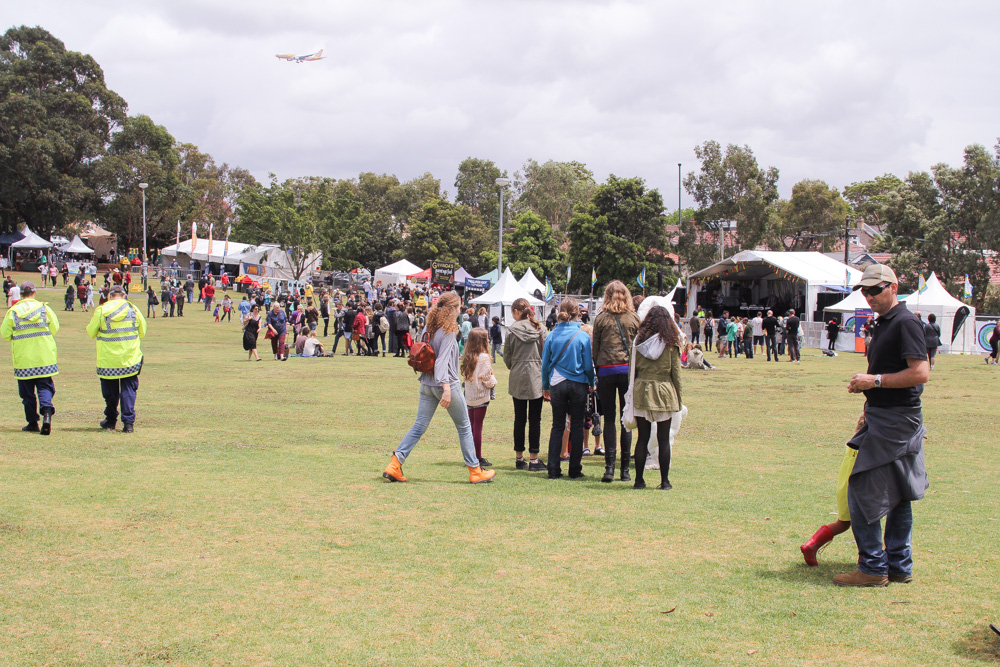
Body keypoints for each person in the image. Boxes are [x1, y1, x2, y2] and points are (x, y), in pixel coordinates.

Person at [834, 264, 929, 587]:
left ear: (894, 286)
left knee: (861, 490)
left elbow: (920, 373)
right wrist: (869, 402)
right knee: (900, 492)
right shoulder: (885, 322)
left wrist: (872, 381)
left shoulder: (905, 323)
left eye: (876, 289)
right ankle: (899, 565)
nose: (870, 296)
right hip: (887, 415)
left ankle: (873, 567)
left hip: (897, 419)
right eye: (865, 290)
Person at [382, 291, 496, 485]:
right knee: (464, 426)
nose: (460, 311)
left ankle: (395, 463)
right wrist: (446, 388)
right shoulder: (449, 330)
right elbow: (442, 361)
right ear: (452, 309)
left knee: (418, 426)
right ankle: (475, 471)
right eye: (459, 307)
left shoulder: (429, 327)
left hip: (426, 382)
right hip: (444, 383)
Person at [592, 280, 641, 483]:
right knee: (626, 418)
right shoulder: (634, 318)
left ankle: (609, 467)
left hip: (606, 370)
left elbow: (595, 347)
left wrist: (597, 367)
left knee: (610, 419)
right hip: (627, 369)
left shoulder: (601, 318)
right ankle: (625, 470)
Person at [630, 305, 682, 490]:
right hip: (664, 391)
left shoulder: (638, 342)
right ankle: (665, 481)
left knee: (642, 438)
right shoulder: (671, 344)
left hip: (642, 389)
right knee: (663, 438)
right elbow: (676, 374)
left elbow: (632, 370)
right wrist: (679, 399)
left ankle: (638, 480)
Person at [541, 298, 595, 480]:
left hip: (556, 382)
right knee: (577, 426)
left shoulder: (552, 335)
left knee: (558, 426)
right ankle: (574, 469)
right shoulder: (582, 336)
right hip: (578, 382)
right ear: (577, 313)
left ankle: (553, 468)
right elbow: (588, 364)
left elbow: (545, 364)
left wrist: (545, 386)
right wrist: (592, 381)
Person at [1, 281, 60, 434]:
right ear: (34, 292)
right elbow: (55, 327)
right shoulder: (44, 308)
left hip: (24, 358)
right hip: (44, 356)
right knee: (45, 387)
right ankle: (47, 414)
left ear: (20, 294)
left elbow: (5, 334)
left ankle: (33, 422)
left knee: (27, 393)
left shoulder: (13, 311)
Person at [87, 285, 147, 433]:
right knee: (128, 390)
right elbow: (143, 331)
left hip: (108, 358)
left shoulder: (102, 310)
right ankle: (128, 424)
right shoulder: (133, 309)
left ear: (110, 295)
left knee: (110, 393)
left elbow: (91, 332)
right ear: (124, 295)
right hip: (129, 358)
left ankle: (111, 420)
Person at [505, 298, 547, 472]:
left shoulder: (511, 330)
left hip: (518, 376)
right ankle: (534, 459)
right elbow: (546, 354)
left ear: (516, 311)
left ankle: (519, 457)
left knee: (519, 418)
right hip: (536, 375)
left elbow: (507, 357)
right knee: (535, 419)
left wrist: (516, 366)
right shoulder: (540, 329)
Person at [462, 328, 498, 468]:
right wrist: (494, 380)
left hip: (469, 396)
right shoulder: (484, 358)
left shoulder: (468, 356)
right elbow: (487, 379)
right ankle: (477, 456)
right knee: (478, 427)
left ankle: (469, 456)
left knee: (470, 426)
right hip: (481, 396)